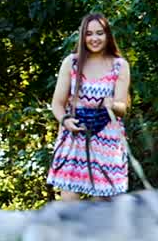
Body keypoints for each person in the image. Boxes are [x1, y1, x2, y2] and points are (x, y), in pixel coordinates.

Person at [46, 13, 132, 201]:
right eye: (89, 33)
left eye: (99, 33)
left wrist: (113, 104)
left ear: (108, 35)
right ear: (82, 36)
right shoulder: (72, 62)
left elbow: (122, 107)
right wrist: (65, 120)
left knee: (103, 203)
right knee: (69, 199)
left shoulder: (120, 65)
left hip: (106, 138)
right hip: (75, 136)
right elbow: (57, 104)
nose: (94, 38)